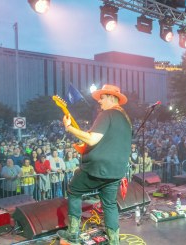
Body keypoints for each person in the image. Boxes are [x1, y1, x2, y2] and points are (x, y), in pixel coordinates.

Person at [57, 84, 132, 245]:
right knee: (110, 204)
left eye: (102, 98)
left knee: (74, 190)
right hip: (117, 171)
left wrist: (69, 128)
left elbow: (92, 139)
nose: (99, 101)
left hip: (98, 168)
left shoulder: (107, 114)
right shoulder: (126, 119)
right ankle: (114, 241)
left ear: (112, 98)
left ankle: (73, 233)